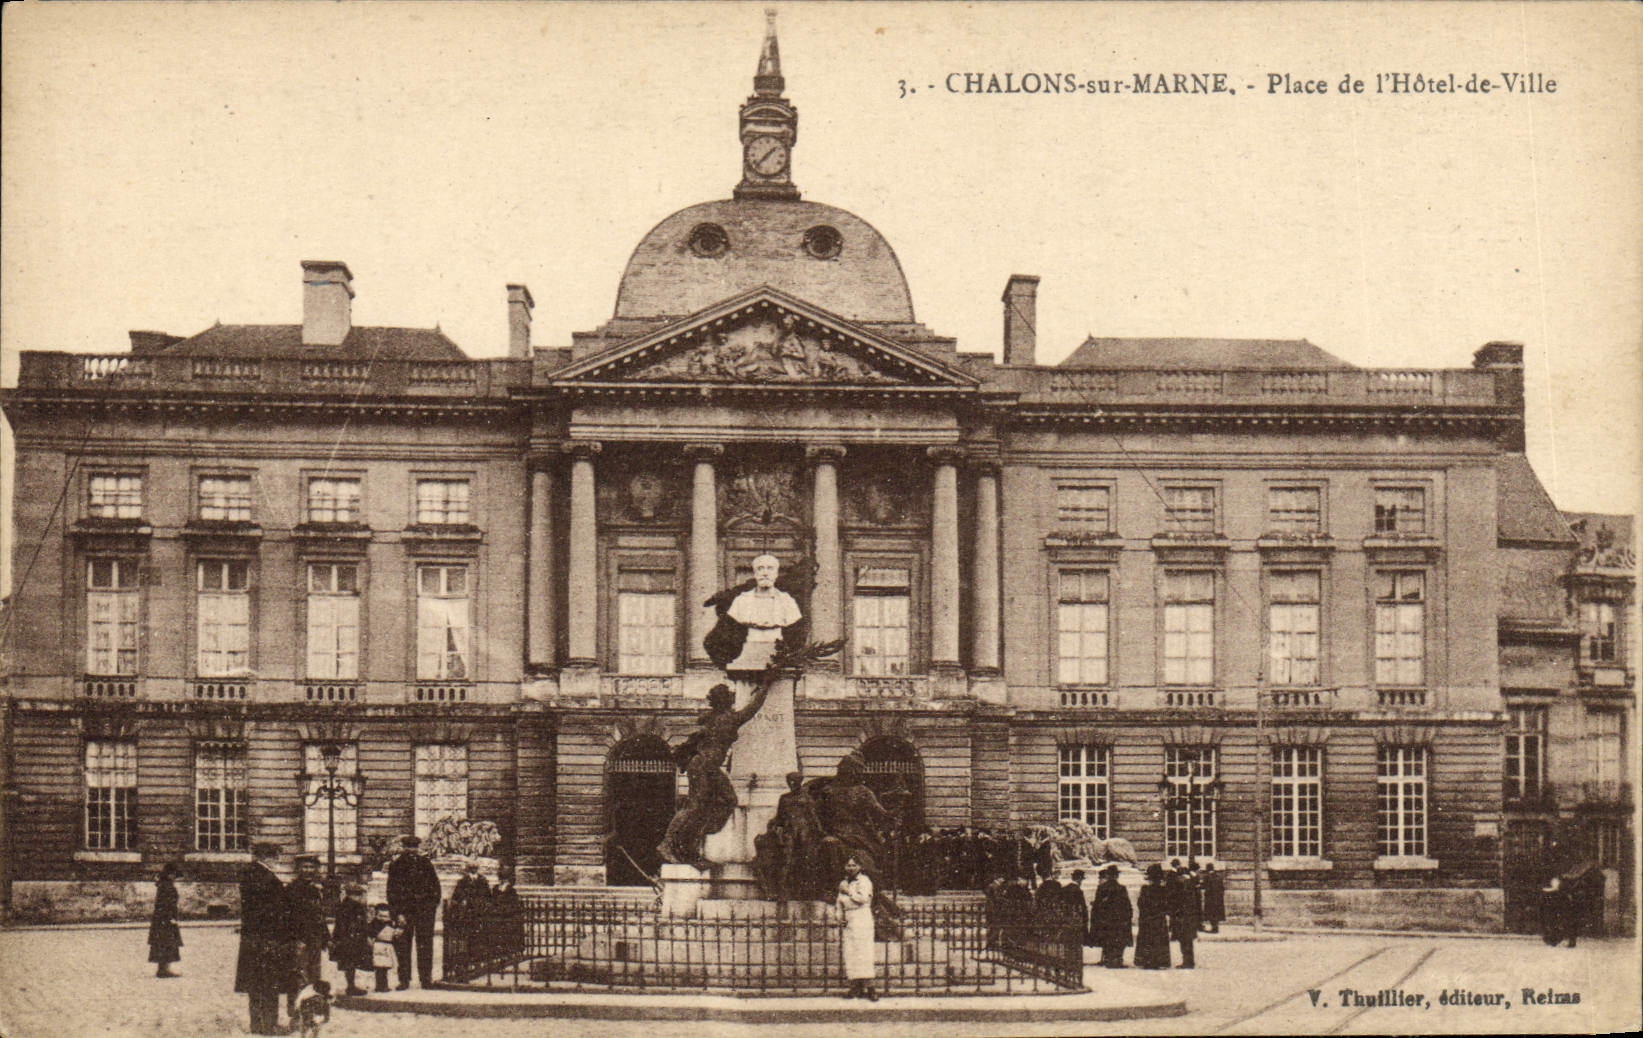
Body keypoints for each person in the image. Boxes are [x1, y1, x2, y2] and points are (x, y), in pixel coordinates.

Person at [656, 680, 774, 868]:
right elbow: (753, 708)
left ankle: (693, 839)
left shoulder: (714, 717)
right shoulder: (728, 719)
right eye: (729, 698)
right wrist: (766, 685)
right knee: (695, 806)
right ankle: (667, 844)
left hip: (708, 767)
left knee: (726, 800)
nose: (732, 700)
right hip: (703, 766)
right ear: (725, 701)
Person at [703, 554, 805, 673]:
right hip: (750, 643)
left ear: (776, 573)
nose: (765, 573)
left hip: (776, 643)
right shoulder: (741, 601)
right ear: (755, 573)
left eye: (770, 568)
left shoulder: (787, 601)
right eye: (760, 568)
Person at [235, 842, 297, 1035]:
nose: (277, 860)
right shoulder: (266, 878)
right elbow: (272, 911)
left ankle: (258, 1025)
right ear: (267, 857)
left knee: (256, 985)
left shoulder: (251, 874)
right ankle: (269, 1026)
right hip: (268, 938)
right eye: (275, 856)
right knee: (269, 984)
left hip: (253, 939)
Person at [385, 835, 442, 989]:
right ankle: (404, 980)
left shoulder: (426, 863)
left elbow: (435, 886)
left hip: (424, 912)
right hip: (405, 912)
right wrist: (397, 913)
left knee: (425, 945)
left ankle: (426, 979)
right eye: (409, 847)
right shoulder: (396, 865)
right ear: (404, 848)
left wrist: (431, 906)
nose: (412, 850)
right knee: (403, 946)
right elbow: (392, 891)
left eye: (414, 847)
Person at [286, 855, 329, 1017]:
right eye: (305, 867)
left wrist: (325, 937)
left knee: (314, 977)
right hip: (300, 939)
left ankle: (310, 1011)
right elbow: (288, 917)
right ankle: (295, 1012)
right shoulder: (291, 889)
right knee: (299, 977)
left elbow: (320, 916)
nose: (308, 870)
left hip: (315, 940)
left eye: (311, 867)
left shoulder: (315, 890)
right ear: (298, 869)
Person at [836, 856, 878, 1001]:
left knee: (864, 952)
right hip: (849, 919)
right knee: (851, 952)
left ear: (860, 866)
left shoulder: (864, 881)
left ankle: (871, 988)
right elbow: (839, 903)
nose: (851, 868)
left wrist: (848, 891)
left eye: (854, 865)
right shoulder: (843, 883)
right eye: (848, 865)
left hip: (861, 917)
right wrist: (840, 917)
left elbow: (863, 899)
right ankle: (855, 987)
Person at [329, 882, 372, 996]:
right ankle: (351, 986)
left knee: (350, 963)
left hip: (349, 939)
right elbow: (349, 925)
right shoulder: (351, 907)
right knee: (350, 963)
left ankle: (351, 985)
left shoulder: (347, 906)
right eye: (357, 894)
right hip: (350, 939)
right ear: (351, 895)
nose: (359, 897)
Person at [1090, 864, 1133, 968]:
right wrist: (1128, 916)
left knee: (1107, 939)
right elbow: (1127, 905)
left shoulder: (1102, 888)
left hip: (1105, 919)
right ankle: (1118, 960)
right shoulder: (1121, 888)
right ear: (1116, 876)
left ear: (1108, 875)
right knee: (1118, 940)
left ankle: (1107, 959)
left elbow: (1097, 905)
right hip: (1119, 919)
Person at [148, 862, 182, 978]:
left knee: (164, 943)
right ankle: (164, 970)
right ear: (169, 874)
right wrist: (170, 917)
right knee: (166, 943)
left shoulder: (164, 885)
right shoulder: (166, 886)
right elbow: (166, 904)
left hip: (162, 919)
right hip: (165, 919)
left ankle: (164, 969)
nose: (174, 877)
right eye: (173, 874)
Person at [1133, 864, 1171, 969]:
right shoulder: (1163, 889)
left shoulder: (1145, 889)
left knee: (1147, 939)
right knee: (1159, 939)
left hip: (1147, 918)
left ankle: (1146, 960)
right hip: (1159, 918)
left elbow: (1140, 903)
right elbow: (1167, 905)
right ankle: (1160, 961)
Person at [1168, 860, 1201, 968]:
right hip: (1190, 917)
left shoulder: (1181, 885)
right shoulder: (1191, 884)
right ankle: (1189, 961)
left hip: (1182, 917)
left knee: (1184, 941)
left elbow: (1175, 901)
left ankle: (1187, 962)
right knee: (1188, 941)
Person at [369, 905, 402, 993]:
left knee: (385, 967)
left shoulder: (390, 924)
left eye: (385, 916)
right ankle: (380, 985)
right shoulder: (375, 924)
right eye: (381, 916)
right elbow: (371, 934)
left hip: (387, 946)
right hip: (379, 946)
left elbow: (394, 934)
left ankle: (383, 985)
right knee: (380, 967)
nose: (383, 919)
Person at [1200, 861, 1225, 933]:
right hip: (1218, 898)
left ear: (1207, 869)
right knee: (1216, 913)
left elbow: (1204, 886)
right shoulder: (1219, 877)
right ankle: (1216, 927)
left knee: (1211, 913)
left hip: (1210, 898)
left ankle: (1214, 928)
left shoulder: (1207, 877)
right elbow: (1222, 888)